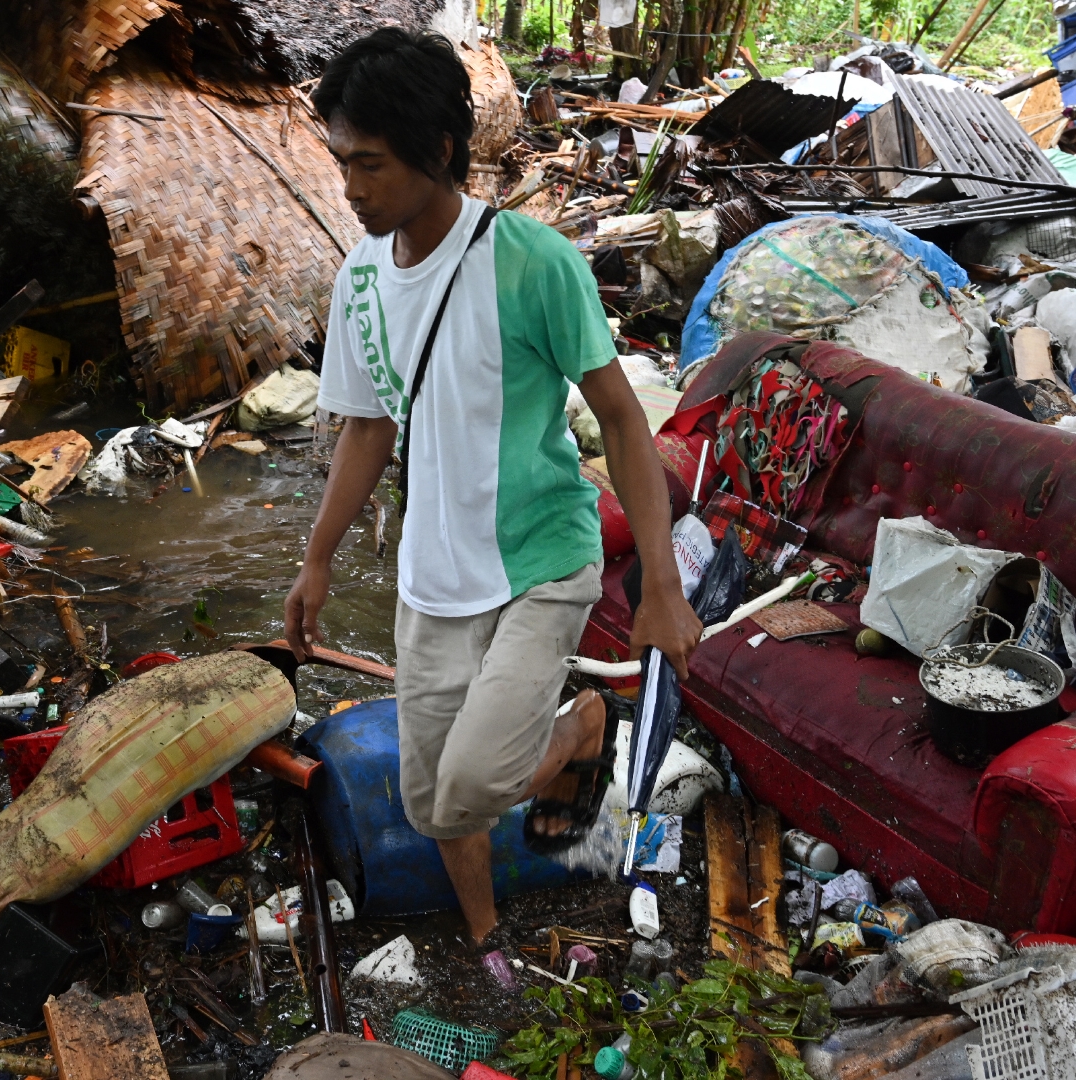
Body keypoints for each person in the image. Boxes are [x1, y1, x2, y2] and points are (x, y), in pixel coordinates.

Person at [283, 27, 700, 944]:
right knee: (435, 805)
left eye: (371, 164)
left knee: (475, 779)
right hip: (433, 578)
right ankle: (484, 938)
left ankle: (586, 724)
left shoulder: (531, 263)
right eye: (341, 162)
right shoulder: (358, 282)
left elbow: (626, 423)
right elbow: (366, 429)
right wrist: (316, 560)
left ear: (439, 151)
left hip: (540, 561)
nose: (350, 187)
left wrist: (662, 586)